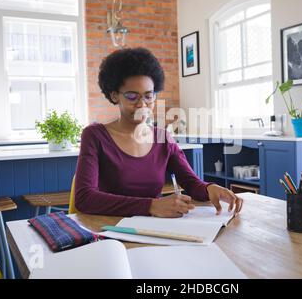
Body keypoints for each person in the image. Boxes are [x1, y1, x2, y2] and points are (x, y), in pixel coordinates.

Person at [74, 47, 243, 218]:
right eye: (132, 96)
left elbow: (192, 184)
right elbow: (85, 198)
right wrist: (151, 206)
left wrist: (210, 188)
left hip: (155, 230)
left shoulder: (162, 138)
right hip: (109, 229)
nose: (142, 104)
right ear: (115, 95)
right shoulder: (95, 136)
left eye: (148, 96)